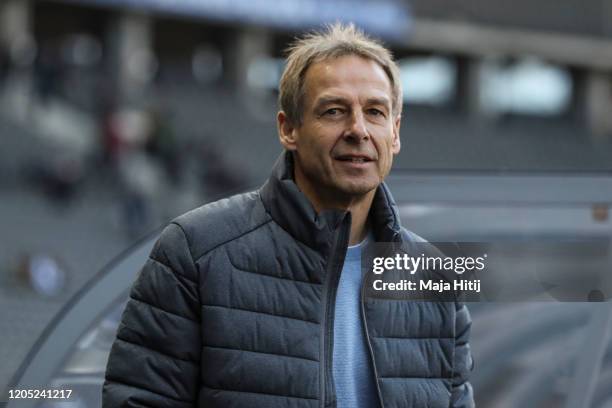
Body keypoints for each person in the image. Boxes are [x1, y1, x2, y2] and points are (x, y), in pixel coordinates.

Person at [102, 23, 474, 408]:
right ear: (288, 129)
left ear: (394, 133)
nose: (358, 130)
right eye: (334, 111)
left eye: (375, 112)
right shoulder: (195, 252)